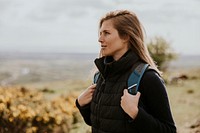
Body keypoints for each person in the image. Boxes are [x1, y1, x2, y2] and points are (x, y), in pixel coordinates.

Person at [75, 10, 176, 133]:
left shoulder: (148, 78)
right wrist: (81, 104)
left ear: (126, 36)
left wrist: (135, 113)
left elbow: (169, 130)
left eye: (106, 33)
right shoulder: (101, 76)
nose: (100, 39)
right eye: (100, 33)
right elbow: (101, 123)